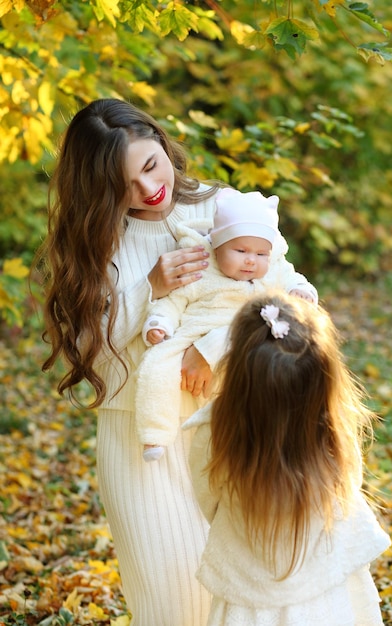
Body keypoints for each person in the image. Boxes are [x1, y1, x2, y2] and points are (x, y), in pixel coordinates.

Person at [39, 97, 224, 626]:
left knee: (243, 601)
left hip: (228, 426)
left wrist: (210, 348)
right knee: (174, 606)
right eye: (125, 185)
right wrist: (150, 290)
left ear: (162, 142)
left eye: (150, 166)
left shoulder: (221, 208)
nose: (148, 190)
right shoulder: (95, 244)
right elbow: (94, 355)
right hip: (139, 449)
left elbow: (280, 300)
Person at [183, 293, 391, 626]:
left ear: (237, 372)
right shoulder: (333, 430)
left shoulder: (213, 431)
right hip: (326, 591)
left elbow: (208, 499)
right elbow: (349, 487)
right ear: (322, 382)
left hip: (248, 594)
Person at [137, 187, 318, 462]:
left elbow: (294, 280)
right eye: (241, 250)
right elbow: (173, 301)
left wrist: (302, 292)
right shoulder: (200, 269)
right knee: (157, 365)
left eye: (260, 254)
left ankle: (273, 440)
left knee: (275, 375)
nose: (250, 260)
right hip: (194, 334)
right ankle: (155, 433)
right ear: (217, 247)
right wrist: (159, 322)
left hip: (248, 343)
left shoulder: (276, 269)